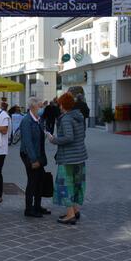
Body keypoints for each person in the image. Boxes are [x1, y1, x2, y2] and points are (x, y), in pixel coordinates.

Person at [47, 92, 88, 225]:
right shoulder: (79, 116)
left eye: (60, 104)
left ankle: (70, 215)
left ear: (63, 105)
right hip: (80, 156)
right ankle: (75, 210)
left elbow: (69, 137)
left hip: (68, 158)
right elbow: (82, 135)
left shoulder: (66, 119)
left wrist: (53, 140)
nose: (59, 107)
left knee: (65, 185)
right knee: (76, 184)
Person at [19, 97, 49, 218]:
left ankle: (37, 206)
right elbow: (28, 142)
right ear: (32, 107)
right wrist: (33, 160)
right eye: (40, 106)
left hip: (39, 154)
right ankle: (29, 209)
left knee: (40, 180)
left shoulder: (38, 119)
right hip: (29, 155)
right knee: (33, 181)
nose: (42, 109)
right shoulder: (27, 120)